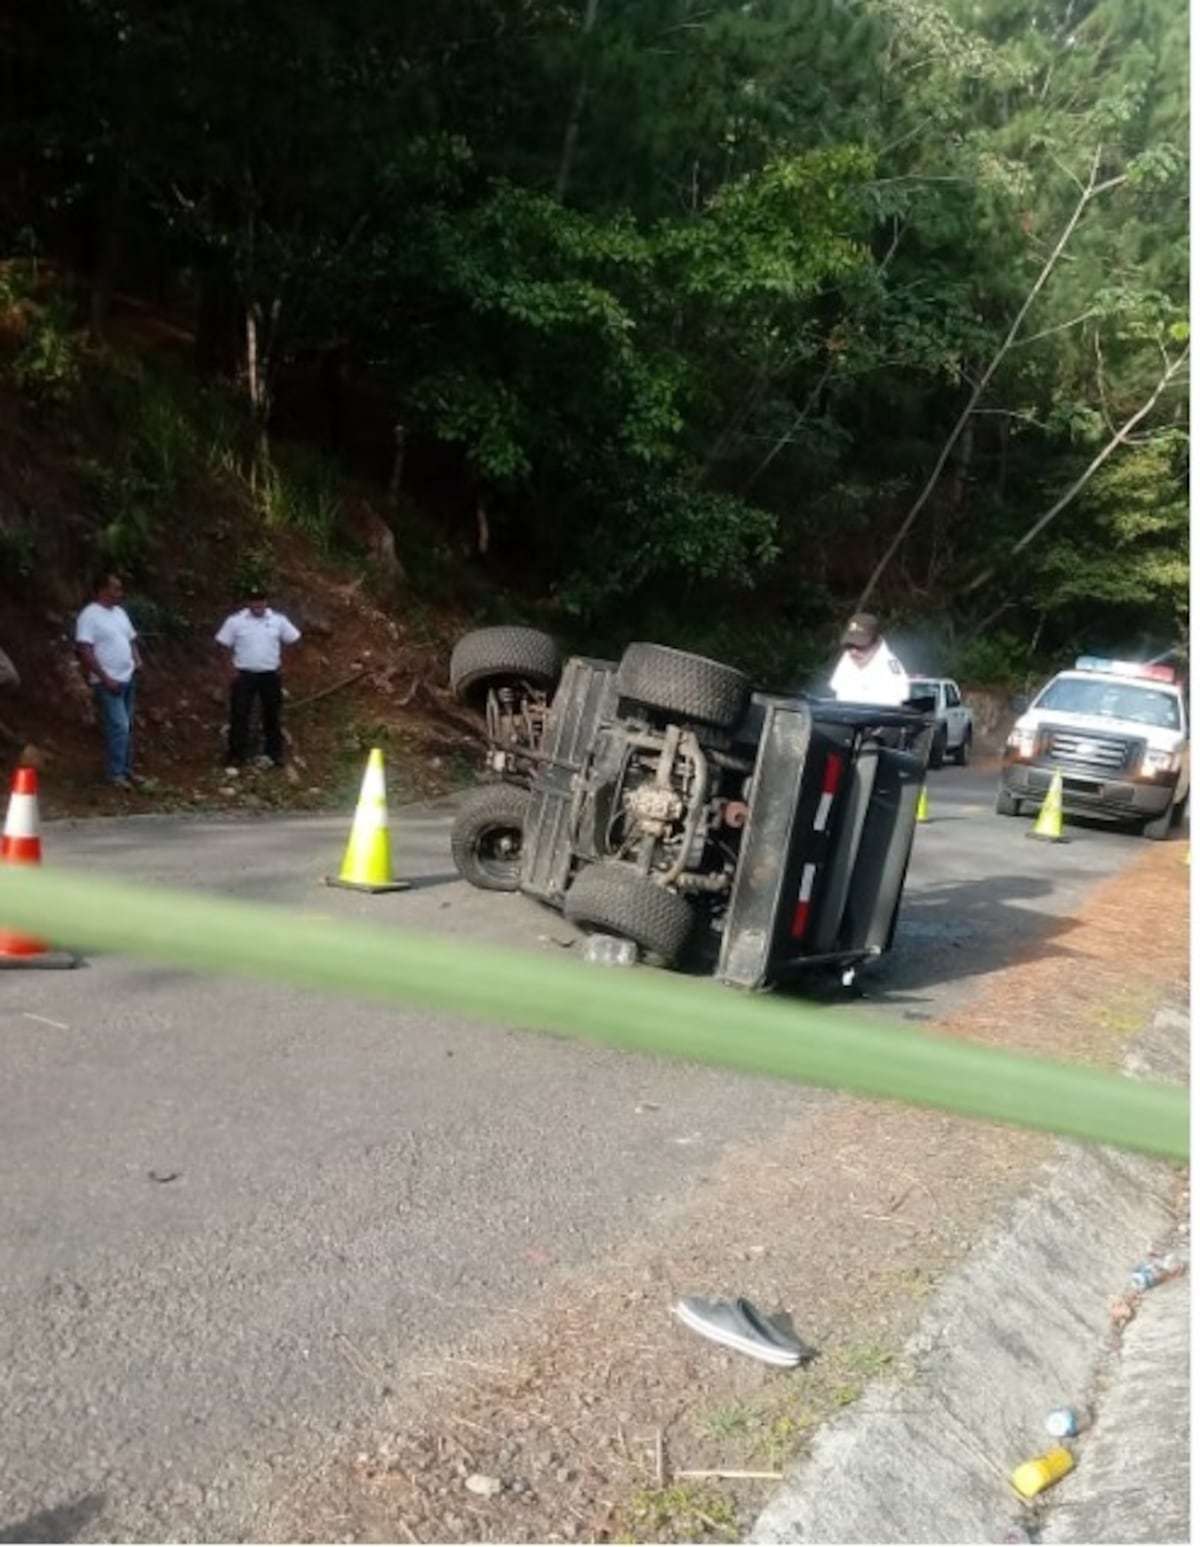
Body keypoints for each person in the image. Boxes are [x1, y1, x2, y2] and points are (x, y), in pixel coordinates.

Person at [215, 585, 302, 772]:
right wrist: (229, 669)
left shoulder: (278, 621)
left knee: (272, 713)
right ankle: (236, 755)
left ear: (266, 601)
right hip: (244, 674)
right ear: (248, 602)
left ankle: (274, 753)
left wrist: (287, 666)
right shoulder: (236, 621)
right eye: (254, 600)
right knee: (240, 713)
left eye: (261, 600)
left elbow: (294, 640)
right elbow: (223, 645)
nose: (257, 604)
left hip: (270, 674)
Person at [75, 571, 143, 789]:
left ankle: (126, 770)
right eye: (116, 588)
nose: (119, 593)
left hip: (127, 676)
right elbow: (85, 649)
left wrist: (137, 660)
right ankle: (114, 774)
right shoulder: (89, 615)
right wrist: (104, 677)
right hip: (108, 681)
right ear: (103, 590)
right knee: (119, 726)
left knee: (128, 726)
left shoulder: (120, 613)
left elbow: (130, 639)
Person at [829, 612, 910, 706]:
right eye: (849, 645)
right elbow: (836, 693)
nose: (853, 651)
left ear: (874, 643)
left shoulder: (890, 666)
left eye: (860, 646)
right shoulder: (847, 658)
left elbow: (896, 707)